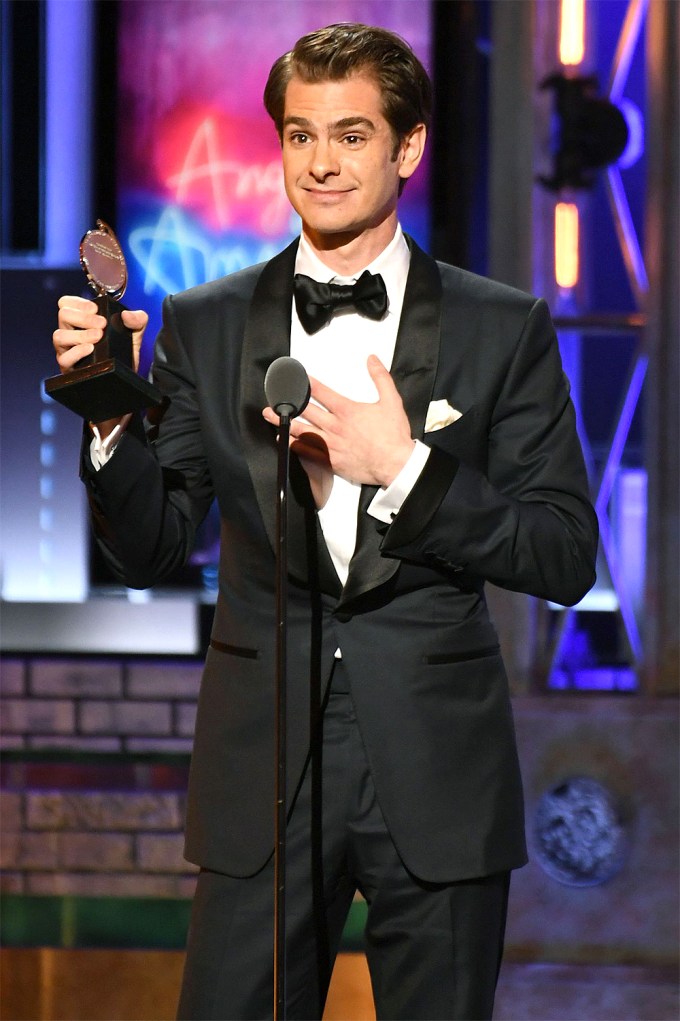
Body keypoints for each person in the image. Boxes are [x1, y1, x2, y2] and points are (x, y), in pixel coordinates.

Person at [53, 23, 598, 1021]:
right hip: (261, 766)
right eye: (300, 135)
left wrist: (404, 468)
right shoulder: (206, 323)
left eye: (351, 135)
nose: (320, 163)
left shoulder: (500, 326)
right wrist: (109, 414)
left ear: (407, 146)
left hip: (436, 769)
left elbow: (564, 553)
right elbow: (150, 545)